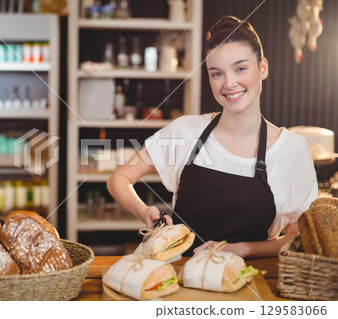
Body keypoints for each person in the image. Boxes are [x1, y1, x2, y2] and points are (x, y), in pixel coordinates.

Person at [106, 16, 318, 258]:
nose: (229, 83)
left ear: (263, 68)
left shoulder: (292, 150)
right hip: (177, 278)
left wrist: (240, 250)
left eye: (240, 68)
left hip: (248, 282)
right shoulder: (186, 131)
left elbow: (298, 238)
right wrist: (143, 211)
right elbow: (119, 178)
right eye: (217, 74)